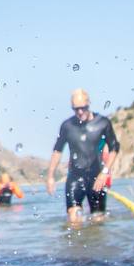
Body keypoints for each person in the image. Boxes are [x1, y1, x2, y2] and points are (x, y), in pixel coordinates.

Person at [45, 88, 119, 225]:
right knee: (73, 219)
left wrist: (105, 172)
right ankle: (76, 246)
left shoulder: (103, 123)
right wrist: (50, 176)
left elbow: (115, 148)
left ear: (89, 104)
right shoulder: (67, 126)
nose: (79, 112)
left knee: (98, 221)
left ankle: (95, 246)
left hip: (97, 178)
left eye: (83, 108)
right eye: (75, 109)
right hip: (75, 178)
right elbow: (57, 151)